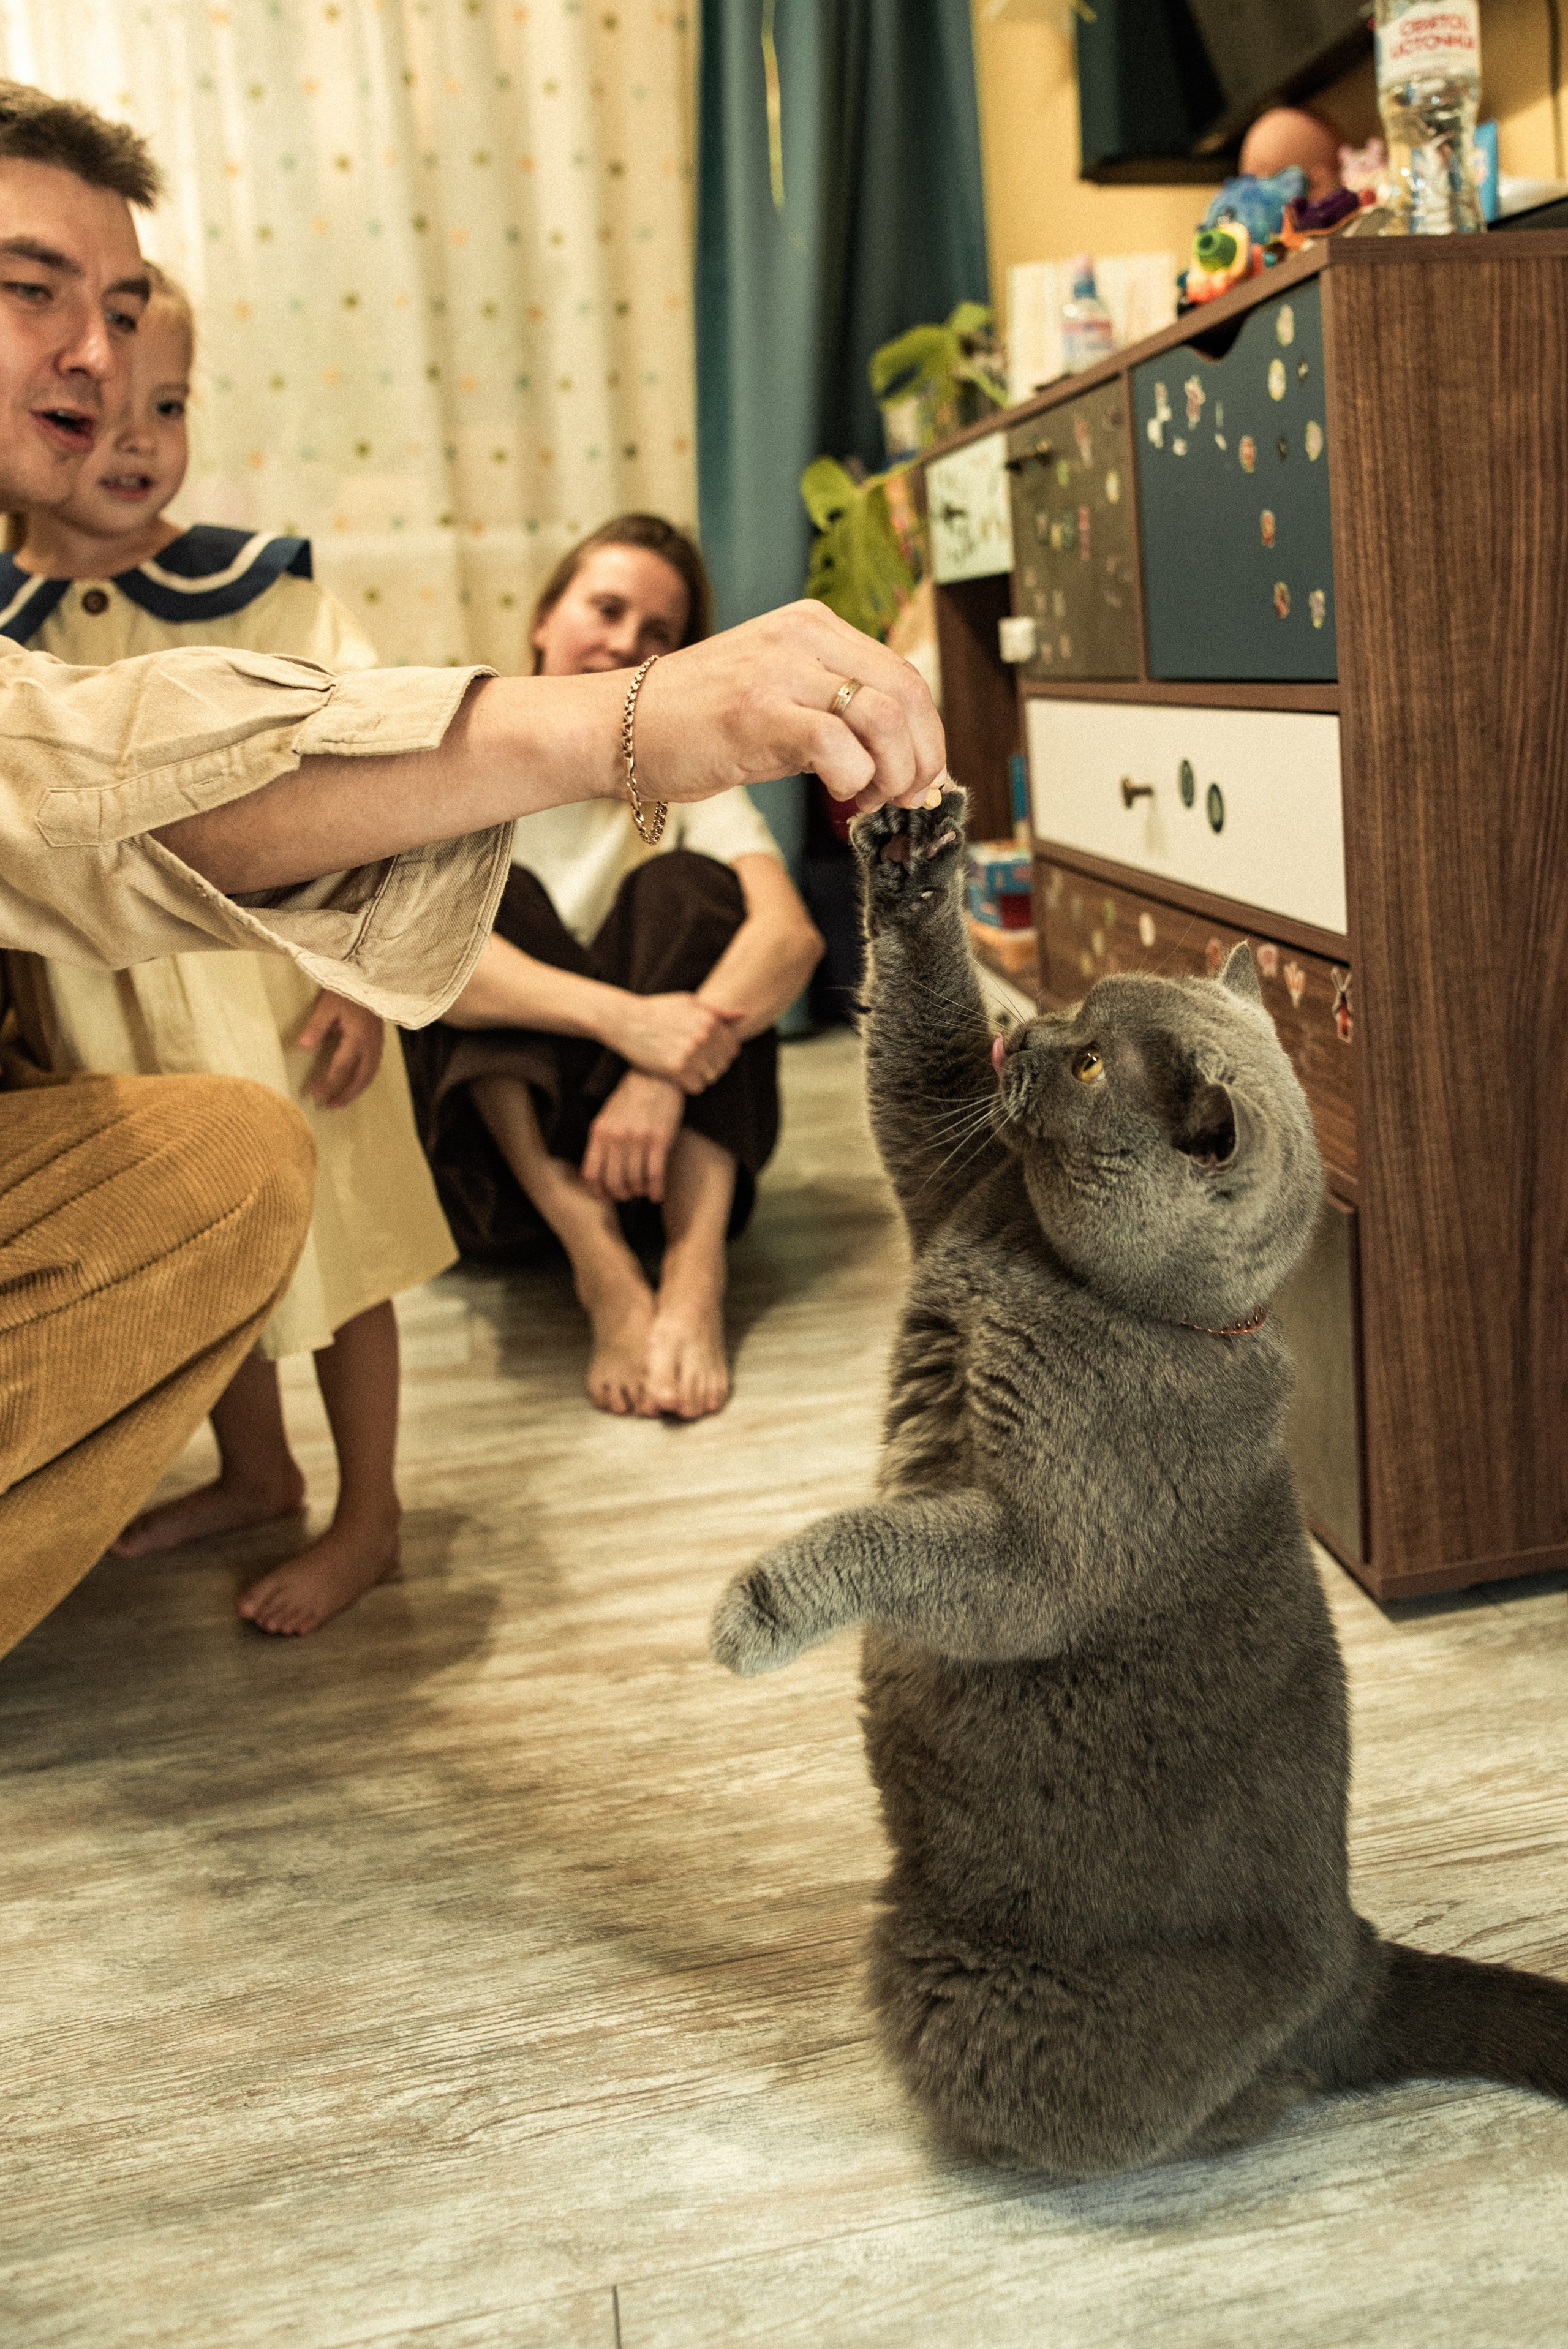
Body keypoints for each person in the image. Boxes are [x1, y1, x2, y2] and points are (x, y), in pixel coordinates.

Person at [0, 81, 947, 1662]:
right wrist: (616, 760)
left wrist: (657, 1029)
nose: (101, 372)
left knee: (640, 916)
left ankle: (627, 1304)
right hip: (497, 1107)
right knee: (457, 949)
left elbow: (775, 929)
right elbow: (84, 782)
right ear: (542, 616)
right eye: (32, 293)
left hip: (513, 1072)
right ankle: (548, 1287)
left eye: (119, 313)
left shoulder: (271, 602)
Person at [5, 262, 457, 1635]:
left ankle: (367, 1511)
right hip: (114, 1002)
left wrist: (354, 973)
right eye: (109, 410)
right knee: (211, 1247)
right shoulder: (12, 638)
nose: (137, 437)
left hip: (285, 997)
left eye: (171, 405)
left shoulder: (263, 595)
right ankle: (255, 1468)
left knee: (340, 1248)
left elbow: (392, 761)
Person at [405, 516, 823, 1422]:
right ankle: (599, 1267)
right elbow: (435, 971)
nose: (628, 642)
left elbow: (791, 939)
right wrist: (626, 1025)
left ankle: (691, 1267)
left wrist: (659, 1074)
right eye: (606, 608)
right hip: (507, 1189)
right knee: (488, 907)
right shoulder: (460, 763)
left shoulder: (683, 773)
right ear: (545, 622)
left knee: (694, 889)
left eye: (659, 632)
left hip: (668, 1155)